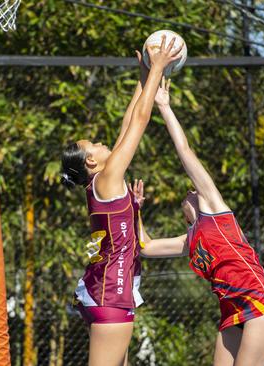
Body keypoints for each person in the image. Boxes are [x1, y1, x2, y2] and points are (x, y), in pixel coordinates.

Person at [140, 80, 264, 366]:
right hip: (232, 313)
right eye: (190, 192)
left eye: (194, 190)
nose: (191, 190)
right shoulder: (190, 240)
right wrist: (132, 206)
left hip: (261, 306)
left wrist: (164, 107)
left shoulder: (215, 210)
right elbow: (145, 246)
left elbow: (185, 152)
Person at [60, 36, 182, 366]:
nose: (104, 143)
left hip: (101, 292)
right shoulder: (109, 176)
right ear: (90, 162)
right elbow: (140, 122)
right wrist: (157, 69)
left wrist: (143, 74)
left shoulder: (103, 180)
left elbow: (129, 121)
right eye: (96, 144)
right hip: (110, 296)